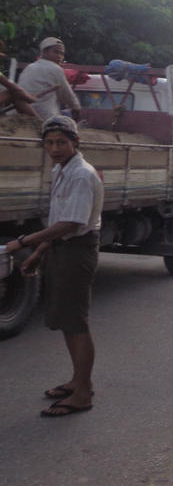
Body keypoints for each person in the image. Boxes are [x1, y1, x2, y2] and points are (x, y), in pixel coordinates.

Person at [4, 115, 103, 417]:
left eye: (61, 142)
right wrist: (38, 253)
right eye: (49, 143)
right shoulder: (62, 170)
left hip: (78, 250)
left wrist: (23, 243)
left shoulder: (81, 175)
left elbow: (71, 223)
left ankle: (83, 393)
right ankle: (78, 381)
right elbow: (59, 220)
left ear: (75, 142)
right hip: (63, 247)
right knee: (66, 320)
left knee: (76, 323)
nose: (55, 148)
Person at [17, 37, 81, 121]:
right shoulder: (55, 68)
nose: (59, 56)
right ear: (44, 52)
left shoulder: (29, 67)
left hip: (20, 113)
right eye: (56, 52)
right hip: (45, 117)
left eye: (61, 54)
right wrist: (76, 108)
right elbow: (67, 95)